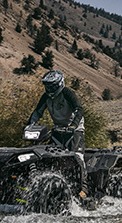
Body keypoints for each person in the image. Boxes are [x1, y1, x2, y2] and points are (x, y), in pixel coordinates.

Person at [26, 70, 88, 198]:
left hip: (74, 130)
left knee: (77, 156)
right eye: (47, 86)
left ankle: (84, 189)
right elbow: (38, 112)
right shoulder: (46, 96)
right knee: (48, 156)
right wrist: (30, 125)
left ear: (60, 84)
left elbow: (79, 109)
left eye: (53, 86)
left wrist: (74, 125)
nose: (50, 88)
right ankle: (47, 185)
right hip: (57, 130)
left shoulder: (68, 93)